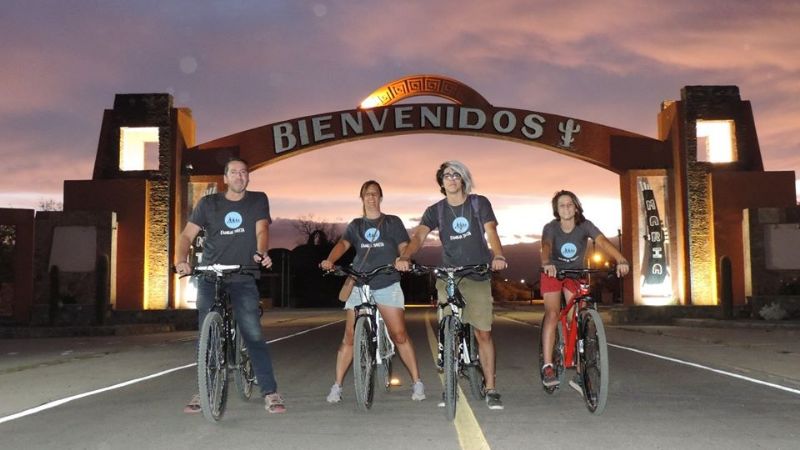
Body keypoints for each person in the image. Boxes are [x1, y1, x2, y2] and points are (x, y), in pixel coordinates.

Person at [174, 157, 286, 414]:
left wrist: (260, 252)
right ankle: (203, 389)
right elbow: (186, 235)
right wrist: (181, 260)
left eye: (244, 172)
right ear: (225, 178)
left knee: (253, 334)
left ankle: (269, 391)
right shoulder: (208, 204)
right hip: (210, 275)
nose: (239, 176)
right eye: (234, 172)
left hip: (243, 275)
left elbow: (261, 231)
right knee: (206, 334)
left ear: (248, 177)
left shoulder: (258, 200)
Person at [395, 161, 508, 410]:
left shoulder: (479, 203)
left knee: (483, 333)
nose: (452, 178)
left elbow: (491, 232)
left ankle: (490, 388)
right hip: (448, 275)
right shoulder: (435, 210)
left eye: (456, 174)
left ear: (463, 179)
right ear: (441, 182)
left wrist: (497, 255)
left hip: (477, 272)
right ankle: (449, 383)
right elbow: (419, 237)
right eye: (447, 175)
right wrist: (406, 257)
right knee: (448, 325)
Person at [320, 180, 426, 403]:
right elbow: (343, 244)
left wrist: (403, 259)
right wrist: (330, 260)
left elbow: (403, 247)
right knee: (349, 337)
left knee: (399, 334)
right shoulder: (356, 225)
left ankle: (417, 382)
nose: (371, 197)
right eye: (367, 194)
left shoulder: (392, 222)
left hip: (386, 280)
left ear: (380, 197)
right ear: (362, 198)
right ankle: (337, 386)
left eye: (375, 194)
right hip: (358, 282)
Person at [539, 190, 629, 392]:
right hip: (552, 273)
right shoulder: (551, 228)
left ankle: (580, 372)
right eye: (561, 205)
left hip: (574, 274)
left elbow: (603, 242)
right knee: (553, 314)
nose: (566, 208)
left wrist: (620, 259)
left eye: (570, 204)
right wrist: (546, 263)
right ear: (556, 210)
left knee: (577, 317)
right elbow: (545, 246)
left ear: (576, 206)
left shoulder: (585, 225)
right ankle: (548, 366)